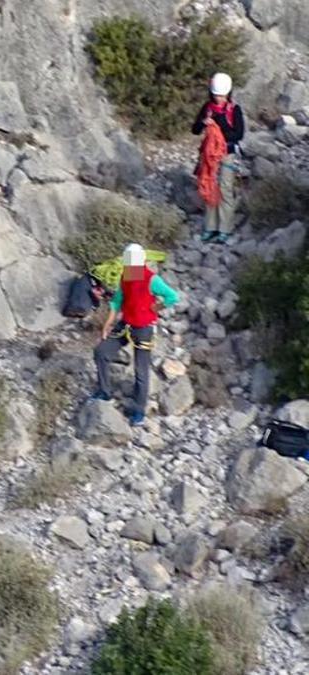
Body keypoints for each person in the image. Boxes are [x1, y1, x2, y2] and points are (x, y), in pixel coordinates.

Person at [91, 244, 180, 427]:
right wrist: (108, 324)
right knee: (101, 352)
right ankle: (104, 390)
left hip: (143, 329)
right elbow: (117, 301)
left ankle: (139, 411)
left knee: (141, 371)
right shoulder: (127, 276)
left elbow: (172, 297)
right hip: (127, 324)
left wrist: (156, 308)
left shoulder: (151, 279)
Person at [192, 72, 245, 244]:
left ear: (228, 93)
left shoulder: (234, 110)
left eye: (221, 95)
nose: (218, 99)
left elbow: (238, 134)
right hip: (209, 156)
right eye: (216, 95)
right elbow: (195, 129)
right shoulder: (207, 108)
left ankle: (224, 229)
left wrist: (218, 126)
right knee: (209, 187)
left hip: (226, 154)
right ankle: (210, 227)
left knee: (224, 189)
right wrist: (203, 123)